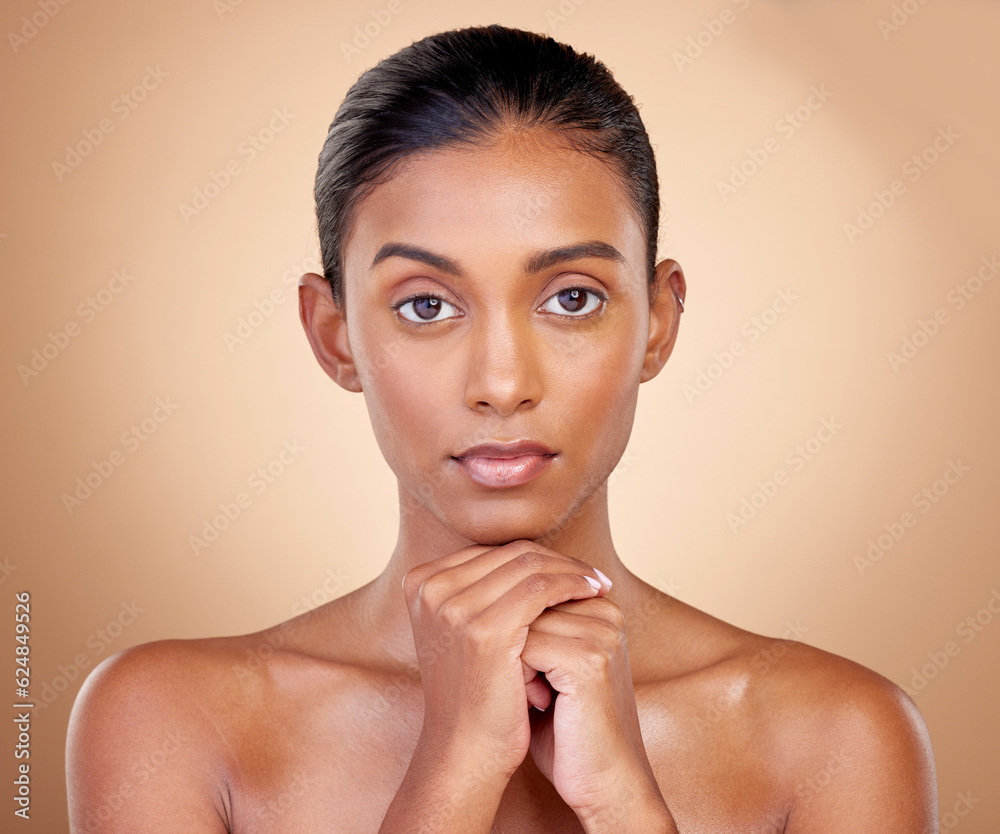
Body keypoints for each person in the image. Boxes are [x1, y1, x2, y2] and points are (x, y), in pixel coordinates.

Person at [67, 24, 937, 833]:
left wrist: (626, 801)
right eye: (425, 305)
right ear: (335, 337)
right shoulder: (170, 721)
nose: (502, 384)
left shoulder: (837, 739)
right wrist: (453, 769)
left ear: (658, 323)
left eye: (572, 299)